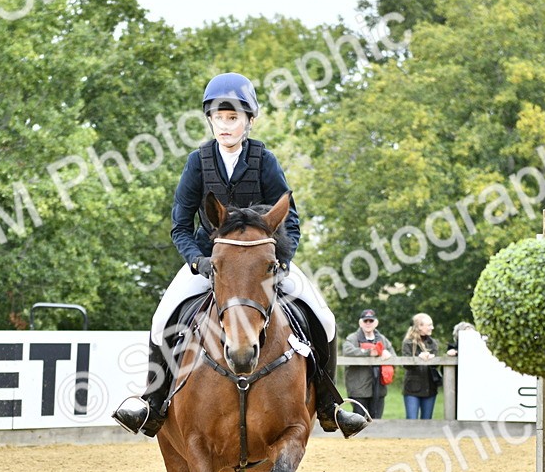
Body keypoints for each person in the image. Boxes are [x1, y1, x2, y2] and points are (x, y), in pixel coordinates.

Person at [112, 73, 369, 438]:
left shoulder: (264, 159)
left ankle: (330, 405)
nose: (226, 125)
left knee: (323, 317)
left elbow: (289, 219)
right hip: (209, 261)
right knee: (160, 318)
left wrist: (281, 259)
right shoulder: (197, 162)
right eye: (219, 117)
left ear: (248, 121)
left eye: (233, 118)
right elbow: (180, 226)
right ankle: (152, 404)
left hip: (264, 264)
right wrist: (197, 261)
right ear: (210, 120)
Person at [342, 308, 395, 420]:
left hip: (378, 388)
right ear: (360, 323)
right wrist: (369, 352)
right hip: (358, 389)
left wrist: (386, 353)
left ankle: (375, 438)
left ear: (376, 322)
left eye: (371, 321)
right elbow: (347, 350)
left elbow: (393, 356)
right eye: (365, 321)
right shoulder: (353, 338)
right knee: (359, 420)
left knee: (376, 420)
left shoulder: (382, 339)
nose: (368, 323)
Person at [401, 313, 442, 419]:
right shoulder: (408, 343)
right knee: (411, 421)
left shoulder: (433, 343)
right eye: (429, 325)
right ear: (419, 326)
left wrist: (432, 359)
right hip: (412, 388)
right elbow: (406, 364)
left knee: (427, 421)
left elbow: (437, 364)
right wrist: (418, 358)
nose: (432, 327)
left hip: (430, 388)